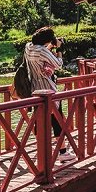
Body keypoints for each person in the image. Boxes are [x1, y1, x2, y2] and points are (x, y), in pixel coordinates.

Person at [25, 27, 73, 161]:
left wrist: (50, 45)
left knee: (39, 121)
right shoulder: (42, 51)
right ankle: (62, 153)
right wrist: (59, 50)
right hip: (49, 90)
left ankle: (42, 150)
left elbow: (41, 56)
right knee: (57, 120)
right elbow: (58, 65)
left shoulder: (28, 47)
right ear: (46, 40)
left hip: (35, 90)